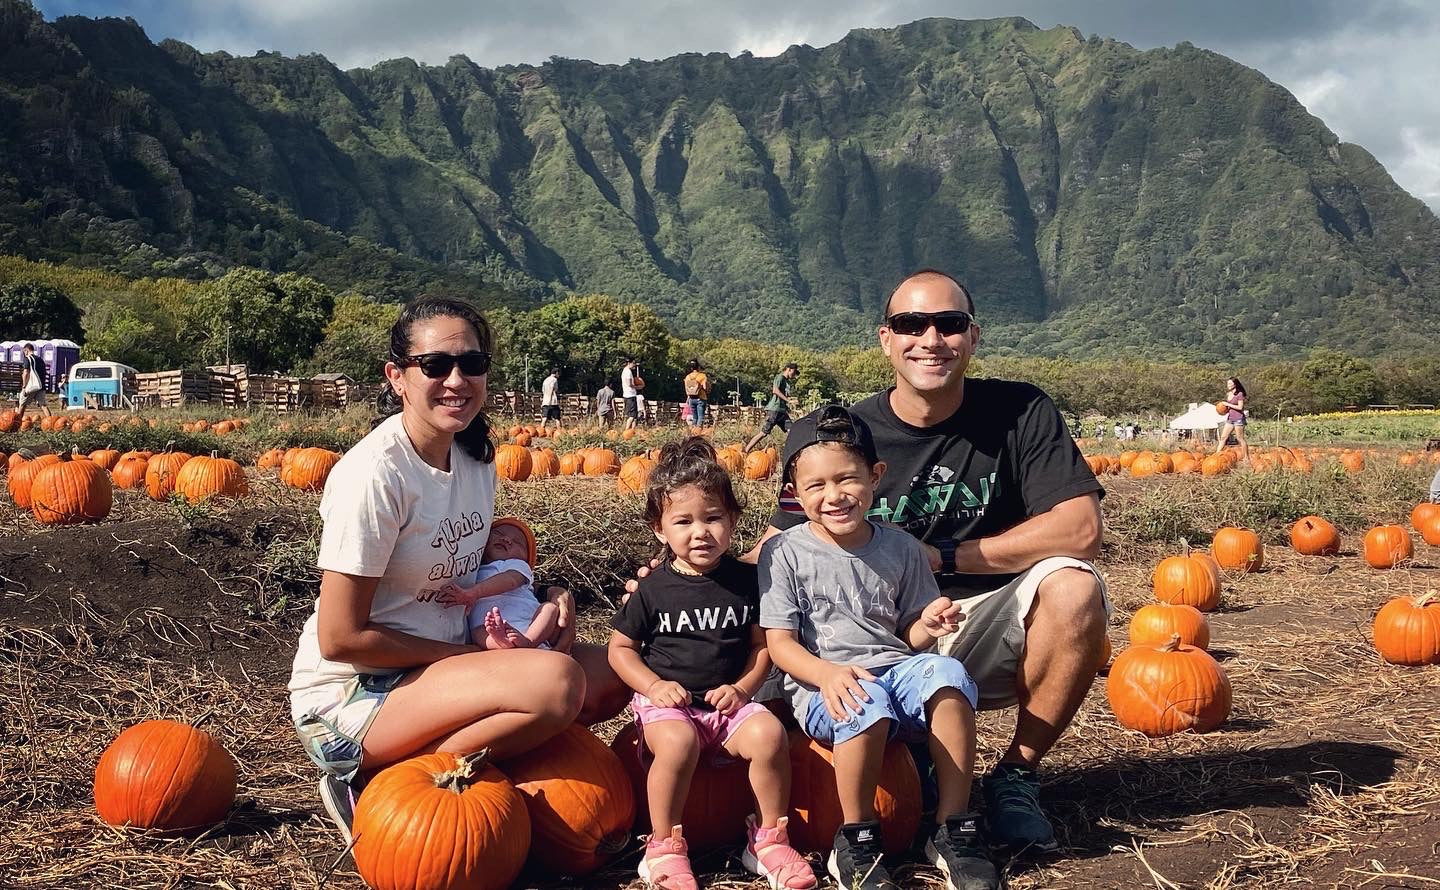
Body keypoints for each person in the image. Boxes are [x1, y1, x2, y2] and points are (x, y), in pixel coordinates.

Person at [750, 269, 1107, 857]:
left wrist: (945, 556)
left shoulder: (1020, 411)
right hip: (873, 632)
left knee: (1074, 587)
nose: (931, 338)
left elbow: (1081, 528)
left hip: (980, 616)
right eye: (911, 324)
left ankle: (1016, 773)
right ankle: (898, 770)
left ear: (973, 335)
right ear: (885, 339)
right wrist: (685, 578)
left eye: (950, 323)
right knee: (762, 655)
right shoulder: (845, 436)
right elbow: (781, 541)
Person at [287, 297, 626, 844]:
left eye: (471, 364)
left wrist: (552, 593)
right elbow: (341, 638)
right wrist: (469, 658)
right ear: (396, 376)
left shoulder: (475, 458)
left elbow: (479, 563)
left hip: (446, 664)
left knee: (612, 674)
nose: (456, 380)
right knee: (557, 684)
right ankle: (378, 781)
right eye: (435, 366)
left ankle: (479, 747)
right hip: (356, 694)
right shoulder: (375, 477)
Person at [759, 406, 998, 890]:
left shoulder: (902, 547)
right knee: (863, 698)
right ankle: (857, 839)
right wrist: (826, 674)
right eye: (816, 486)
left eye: (847, 479)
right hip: (826, 684)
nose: (834, 496)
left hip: (896, 670)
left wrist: (928, 626)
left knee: (948, 675)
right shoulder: (782, 552)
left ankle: (954, 828)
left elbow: (907, 635)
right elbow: (780, 644)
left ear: (876, 475)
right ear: (793, 493)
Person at [610, 438, 815, 890]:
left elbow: (762, 646)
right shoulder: (654, 589)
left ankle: (767, 840)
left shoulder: (747, 581)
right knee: (679, 742)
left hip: (727, 704)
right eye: (683, 521)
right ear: (659, 530)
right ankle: (662, 845)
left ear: (734, 521)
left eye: (713, 518)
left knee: (769, 735)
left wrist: (744, 688)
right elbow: (620, 648)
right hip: (670, 707)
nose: (699, 532)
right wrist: (652, 685)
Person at [456, 517, 562, 650]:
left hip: (529, 623)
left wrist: (475, 592)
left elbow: (510, 581)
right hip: (491, 627)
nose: (506, 539)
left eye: (518, 542)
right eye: (498, 534)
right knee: (478, 632)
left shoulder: (517, 565)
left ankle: (529, 641)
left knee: (549, 608)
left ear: (527, 559)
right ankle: (502, 645)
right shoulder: (473, 568)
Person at [744, 363, 799, 454]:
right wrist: (788, 400)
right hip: (774, 410)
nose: (794, 375)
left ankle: (792, 453)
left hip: (782, 412)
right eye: (794, 372)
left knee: (792, 431)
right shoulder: (780, 377)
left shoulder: (786, 381)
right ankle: (745, 451)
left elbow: (782, 396)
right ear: (789, 369)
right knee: (764, 433)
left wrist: (787, 406)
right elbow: (775, 391)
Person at [1216, 377, 1249, 462]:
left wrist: (1227, 404)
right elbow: (1229, 408)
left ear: (1235, 384)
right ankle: (1216, 455)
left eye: (1230, 384)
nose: (1228, 385)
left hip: (1238, 419)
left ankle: (1246, 458)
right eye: (1228, 384)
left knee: (1240, 438)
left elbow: (1240, 407)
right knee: (1223, 437)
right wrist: (1223, 410)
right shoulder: (1228, 394)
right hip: (1230, 418)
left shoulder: (1239, 394)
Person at [17, 342, 50, 419]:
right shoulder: (40, 360)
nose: (24, 354)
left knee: (22, 404)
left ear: (26, 350)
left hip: (31, 386)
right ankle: (51, 422)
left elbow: (26, 372)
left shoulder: (28, 359)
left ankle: (17, 423)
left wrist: (24, 386)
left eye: (24, 352)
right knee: (43, 405)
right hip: (41, 385)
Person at [684, 359, 711, 428]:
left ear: (691, 368)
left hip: (691, 399)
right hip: (701, 398)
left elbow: (687, 389)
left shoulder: (688, 377)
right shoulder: (702, 376)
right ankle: (698, 433)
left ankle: (693, 433)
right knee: (700, 418)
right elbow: (705, 388)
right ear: (698, 367)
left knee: (694, 418)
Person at [541, 367, 562, 436]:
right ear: (556, 373)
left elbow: (543, 391)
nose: (559, 375)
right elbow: (555, 390)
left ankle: (541, 432)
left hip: (545, 401)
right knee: (557, 418)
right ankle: (560, 433)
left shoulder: (545, 380)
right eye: (558, 373)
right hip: (553, 402)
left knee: (544, 418)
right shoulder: (554, 380)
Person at [621, 358, 641, 431]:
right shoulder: (628, 372)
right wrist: (638, 387)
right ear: (629, 363)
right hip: (630, 396)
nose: (634, 364)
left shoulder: (625, 371)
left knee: (634, 416)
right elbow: (629, 384)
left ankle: (632, 431)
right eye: (633, 363)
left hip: (627, 395)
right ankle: (626, 431)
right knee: (632, 416)